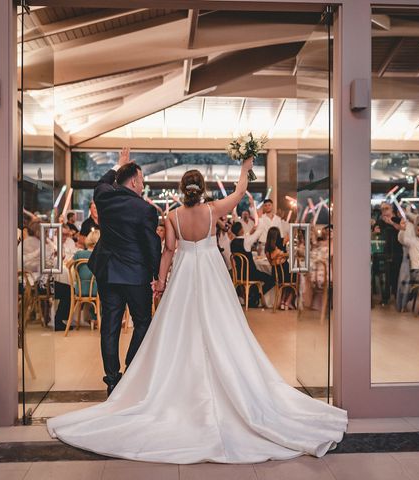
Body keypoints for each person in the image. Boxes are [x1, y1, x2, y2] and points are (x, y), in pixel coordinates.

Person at [47, 158, 347, 464]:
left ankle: (140, 383)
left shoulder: (172, 216)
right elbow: (241, 192)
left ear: (181, 189)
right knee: (223, 328)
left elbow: (167, 251)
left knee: (177, 330)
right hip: (211, 276)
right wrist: (245, 168)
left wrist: (161, 282)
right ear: (202, 190)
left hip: (183, 276)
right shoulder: (213, 210)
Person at [86, 150, 161, 396]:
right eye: (141, 180)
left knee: (110, 326)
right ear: (133, 182)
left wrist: (119, 165)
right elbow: (152, 246)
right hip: (135, 275)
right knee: (143, 322)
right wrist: (156, 275)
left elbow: (102, 182)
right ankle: (131, 370)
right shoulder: (145, 210)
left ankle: (111, 379)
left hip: (108, 273)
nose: (142, 184)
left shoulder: (104, 197)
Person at [230, 221, 274, 307]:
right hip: (250, 274)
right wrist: (259, 220)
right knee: (272, 279)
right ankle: (255, 297)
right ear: (241, 230)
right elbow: (259, 232)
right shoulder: (246, 241)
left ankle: (252, 295)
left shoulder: (232, 243)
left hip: (239, 274)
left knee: (258, 276)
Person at [376, 202, 403, 306]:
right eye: (382, 209)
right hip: (385, 251)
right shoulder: (380, 221)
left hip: (397, 250)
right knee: (384, 275)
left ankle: (397, 297)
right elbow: (376, 231)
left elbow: (401, 229)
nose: (384, 211)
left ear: (391, 209)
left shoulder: (398, 219)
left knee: (396, 275)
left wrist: (391, 223)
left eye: (386, 208)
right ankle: (385, 298)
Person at [53, 224, 79, 331]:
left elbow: (73, 255)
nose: (65, 237)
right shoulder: (52, 242)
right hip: (54, 275)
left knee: (71, 289)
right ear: (56, 233)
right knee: (68, 290)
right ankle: (60, 319)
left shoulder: (70, 242)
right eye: (62, 234)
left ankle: (65, 319)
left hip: (68, 267)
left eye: (67, 234)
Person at [265, 226, 296, 310]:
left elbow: (271, 263)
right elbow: (291, 235)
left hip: (275, 275)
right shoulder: (281, 242)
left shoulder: (267, 248)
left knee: (286, 282)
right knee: (297, 279)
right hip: (284, 273)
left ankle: (282, 302)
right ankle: (287, 302)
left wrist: (279, 259)